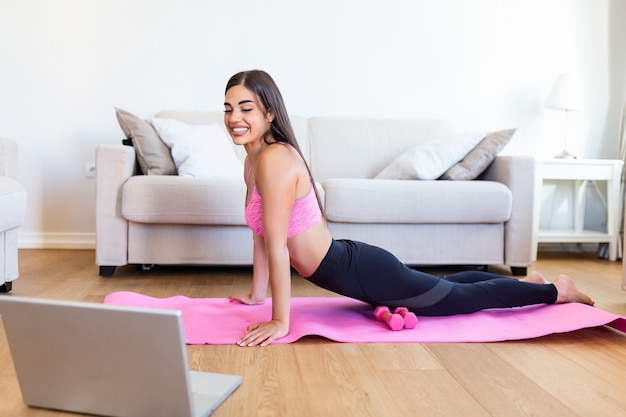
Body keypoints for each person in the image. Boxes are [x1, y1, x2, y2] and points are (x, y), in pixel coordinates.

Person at [224, 69, 594, 347]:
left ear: (269, 114)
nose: (234, 118)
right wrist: (258, 295)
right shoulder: (253, 162)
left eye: (246, 108)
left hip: (358, 271)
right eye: (228, 109)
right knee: (441, 288)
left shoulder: (274, 159)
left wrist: (280, 321)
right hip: (349, 266)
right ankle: (527, 284)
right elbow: (260, 234)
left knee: (458, 299)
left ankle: (557, 292)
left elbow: (276, 245)